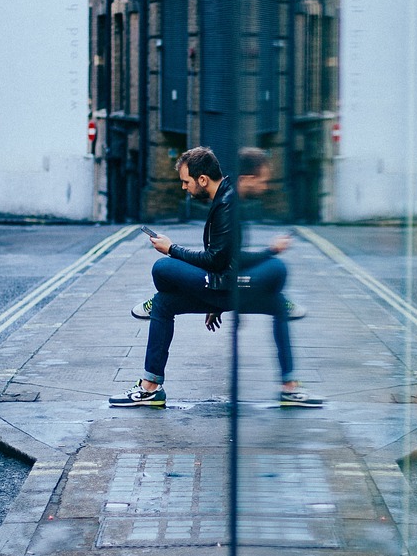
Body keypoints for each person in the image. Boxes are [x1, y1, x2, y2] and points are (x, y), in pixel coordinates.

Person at [109, 146, 322, 409]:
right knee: (165, 303)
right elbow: (229, 257)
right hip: (220, 288)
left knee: (163, 269)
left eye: (186, 182)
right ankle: (150, 388)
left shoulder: (228, 204)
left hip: (223, 287)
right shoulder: (226, 198)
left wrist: (172, 249)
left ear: (202, 180)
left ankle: (151, 386)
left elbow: (217, 260)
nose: (184, 188)